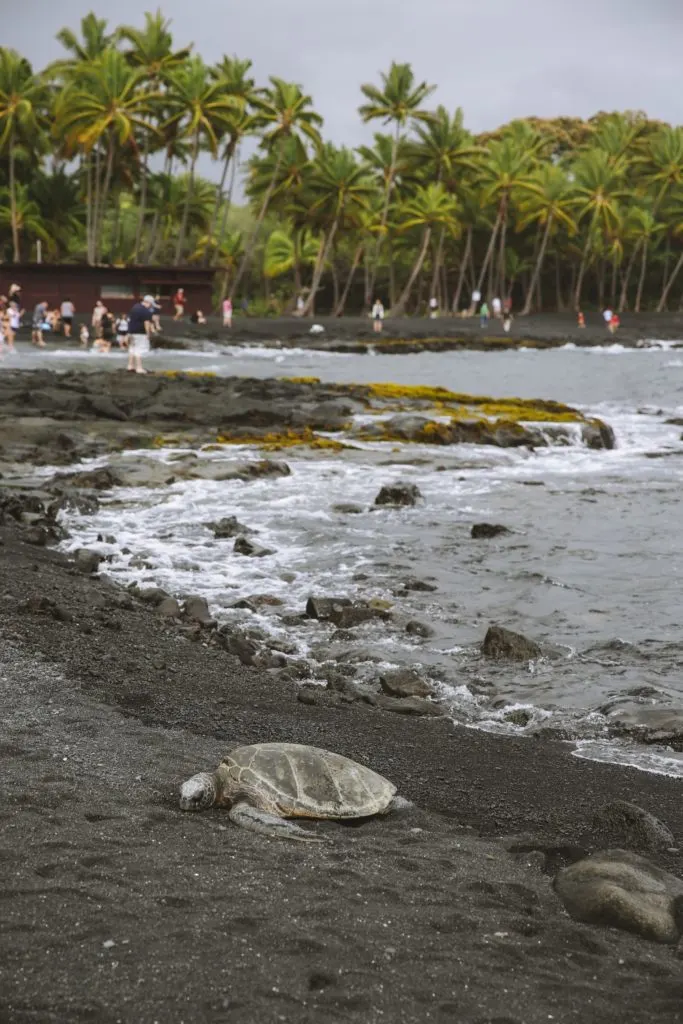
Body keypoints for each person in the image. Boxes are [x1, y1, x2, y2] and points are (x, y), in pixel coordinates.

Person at [127, 294, 155, 373]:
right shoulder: (146, 311)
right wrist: (148, 334)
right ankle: (139, 368)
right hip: (140, 333)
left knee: (132, 349)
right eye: (151, 305)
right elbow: (147, 323)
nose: (150, 306)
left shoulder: (134, 307)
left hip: (131, 332)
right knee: (139, 349)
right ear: (149, 303)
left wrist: (128, 332)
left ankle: (130, 366)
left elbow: (129, 320)